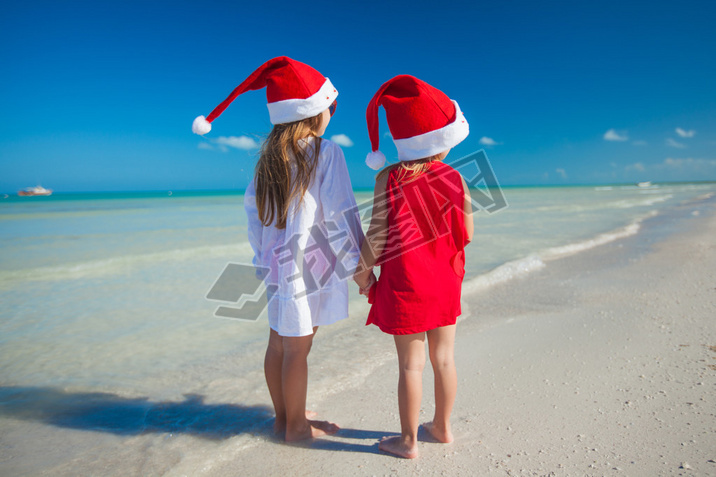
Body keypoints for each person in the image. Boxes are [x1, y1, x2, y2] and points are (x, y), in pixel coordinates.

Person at [193, 57, 363, 441]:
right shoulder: (326, 152)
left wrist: (261, 261)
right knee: (299, 350)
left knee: (279, 344)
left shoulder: (267, 160)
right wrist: (358, 264)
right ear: (313, 113)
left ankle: (284, 416)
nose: (331, 115)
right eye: (329, 108)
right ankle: (297, 427)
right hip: (312, 266)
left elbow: (254, 217)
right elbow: (341, 212)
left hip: (278, 265)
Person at [354, 75, 473, 459]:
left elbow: (377, 233)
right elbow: (467, 232)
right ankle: (442, 427)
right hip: (445, 280)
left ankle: (408, 441)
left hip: (406, 283)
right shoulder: (456, 178)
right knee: (444, 359)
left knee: (410, 365)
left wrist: (362, 270)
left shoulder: (389, 178)